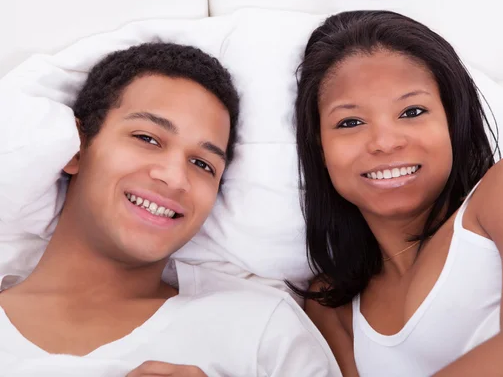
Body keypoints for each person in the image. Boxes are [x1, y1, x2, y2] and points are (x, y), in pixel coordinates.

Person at [0, 43, 341, 377]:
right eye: (147, 138)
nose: (176, 178)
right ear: (78, 148)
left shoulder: (264, 332)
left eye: (202, 164)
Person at [292, 10, 503, 376]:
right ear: (319, 148)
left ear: (452, 120)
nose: (385, 142)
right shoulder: (331, 306)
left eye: (412, 111)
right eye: (350, 122)